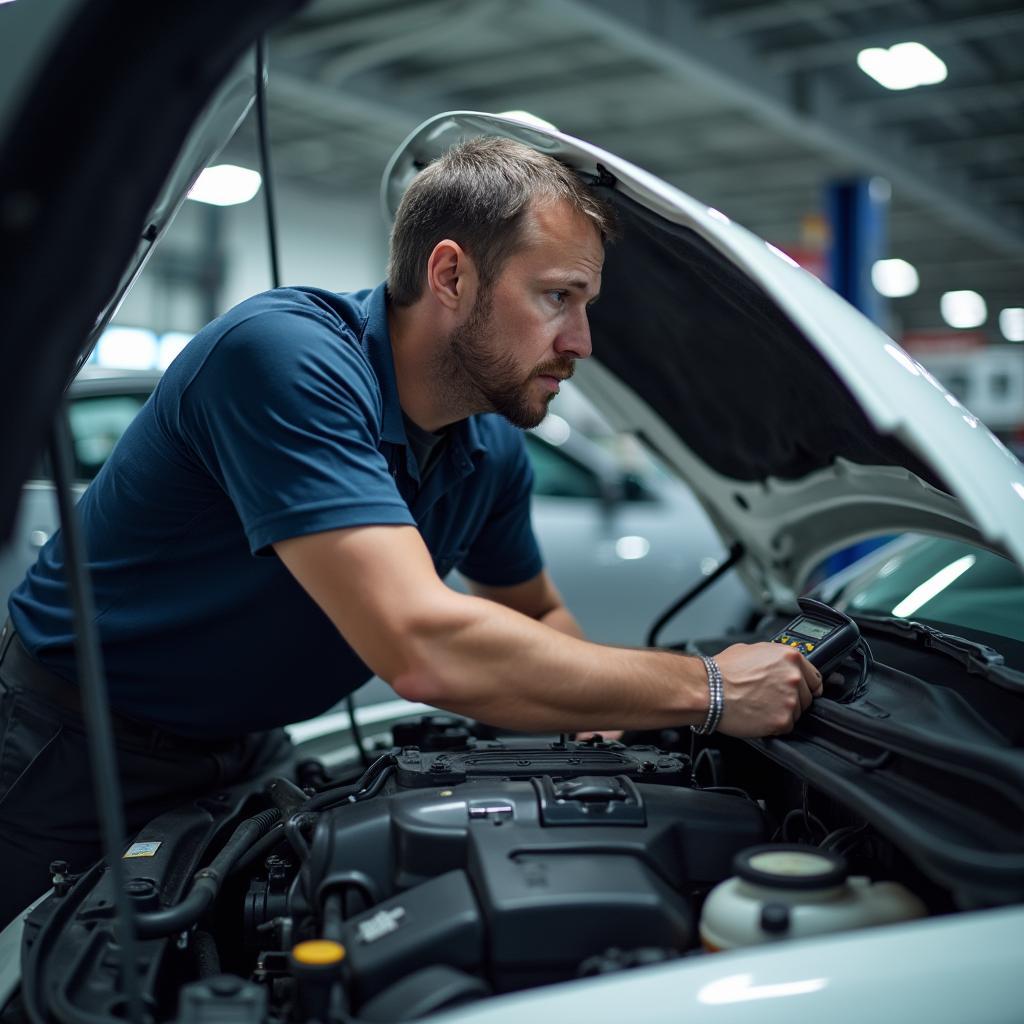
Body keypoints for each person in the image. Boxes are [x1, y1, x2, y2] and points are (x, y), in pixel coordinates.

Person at [0, 136, 821, 928]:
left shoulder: (492, 448)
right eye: (557, 297)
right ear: (452, 275)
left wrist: (595, 719)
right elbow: (421, 647)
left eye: (585, 305)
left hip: (244, 753)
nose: (580, 343)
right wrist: (707, 689)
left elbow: (536, 615)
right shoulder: (283, 357)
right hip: (65, 754)